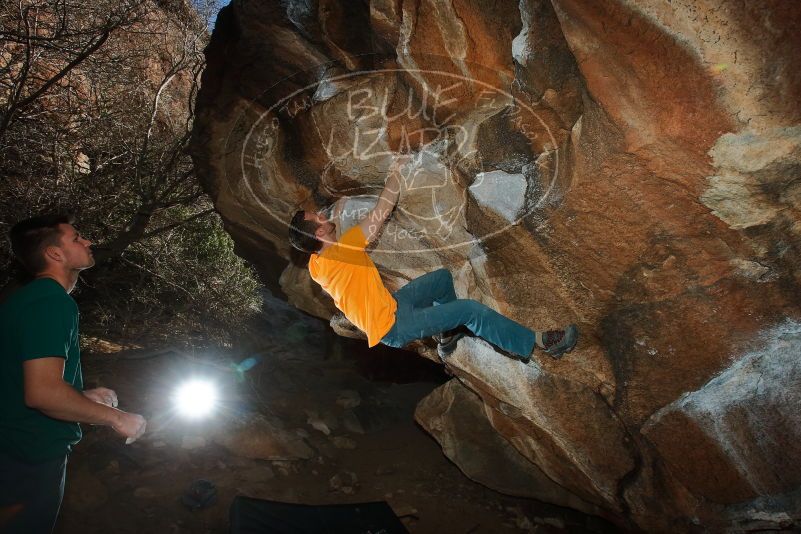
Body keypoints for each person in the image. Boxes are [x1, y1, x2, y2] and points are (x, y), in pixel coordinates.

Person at [288, 159, 579, 361]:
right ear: (322, 233)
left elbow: (332, 259)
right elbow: (382, 210)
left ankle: (447, 333)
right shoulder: (345, 250)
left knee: (441, 279)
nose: (323, 214)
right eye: (319, 218)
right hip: (394, 327)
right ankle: (538, 343)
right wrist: (396, 175)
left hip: (392, 306)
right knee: (470, 310)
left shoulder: (317, 265)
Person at [0, 213, 147, 534]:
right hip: (30, 457)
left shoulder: (23, 299)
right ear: (55, 254)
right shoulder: (51, 303)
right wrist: (117, 418)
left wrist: (79, 396)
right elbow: (42, 393)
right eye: (77, 237)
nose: (88, 241)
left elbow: (21, 380)